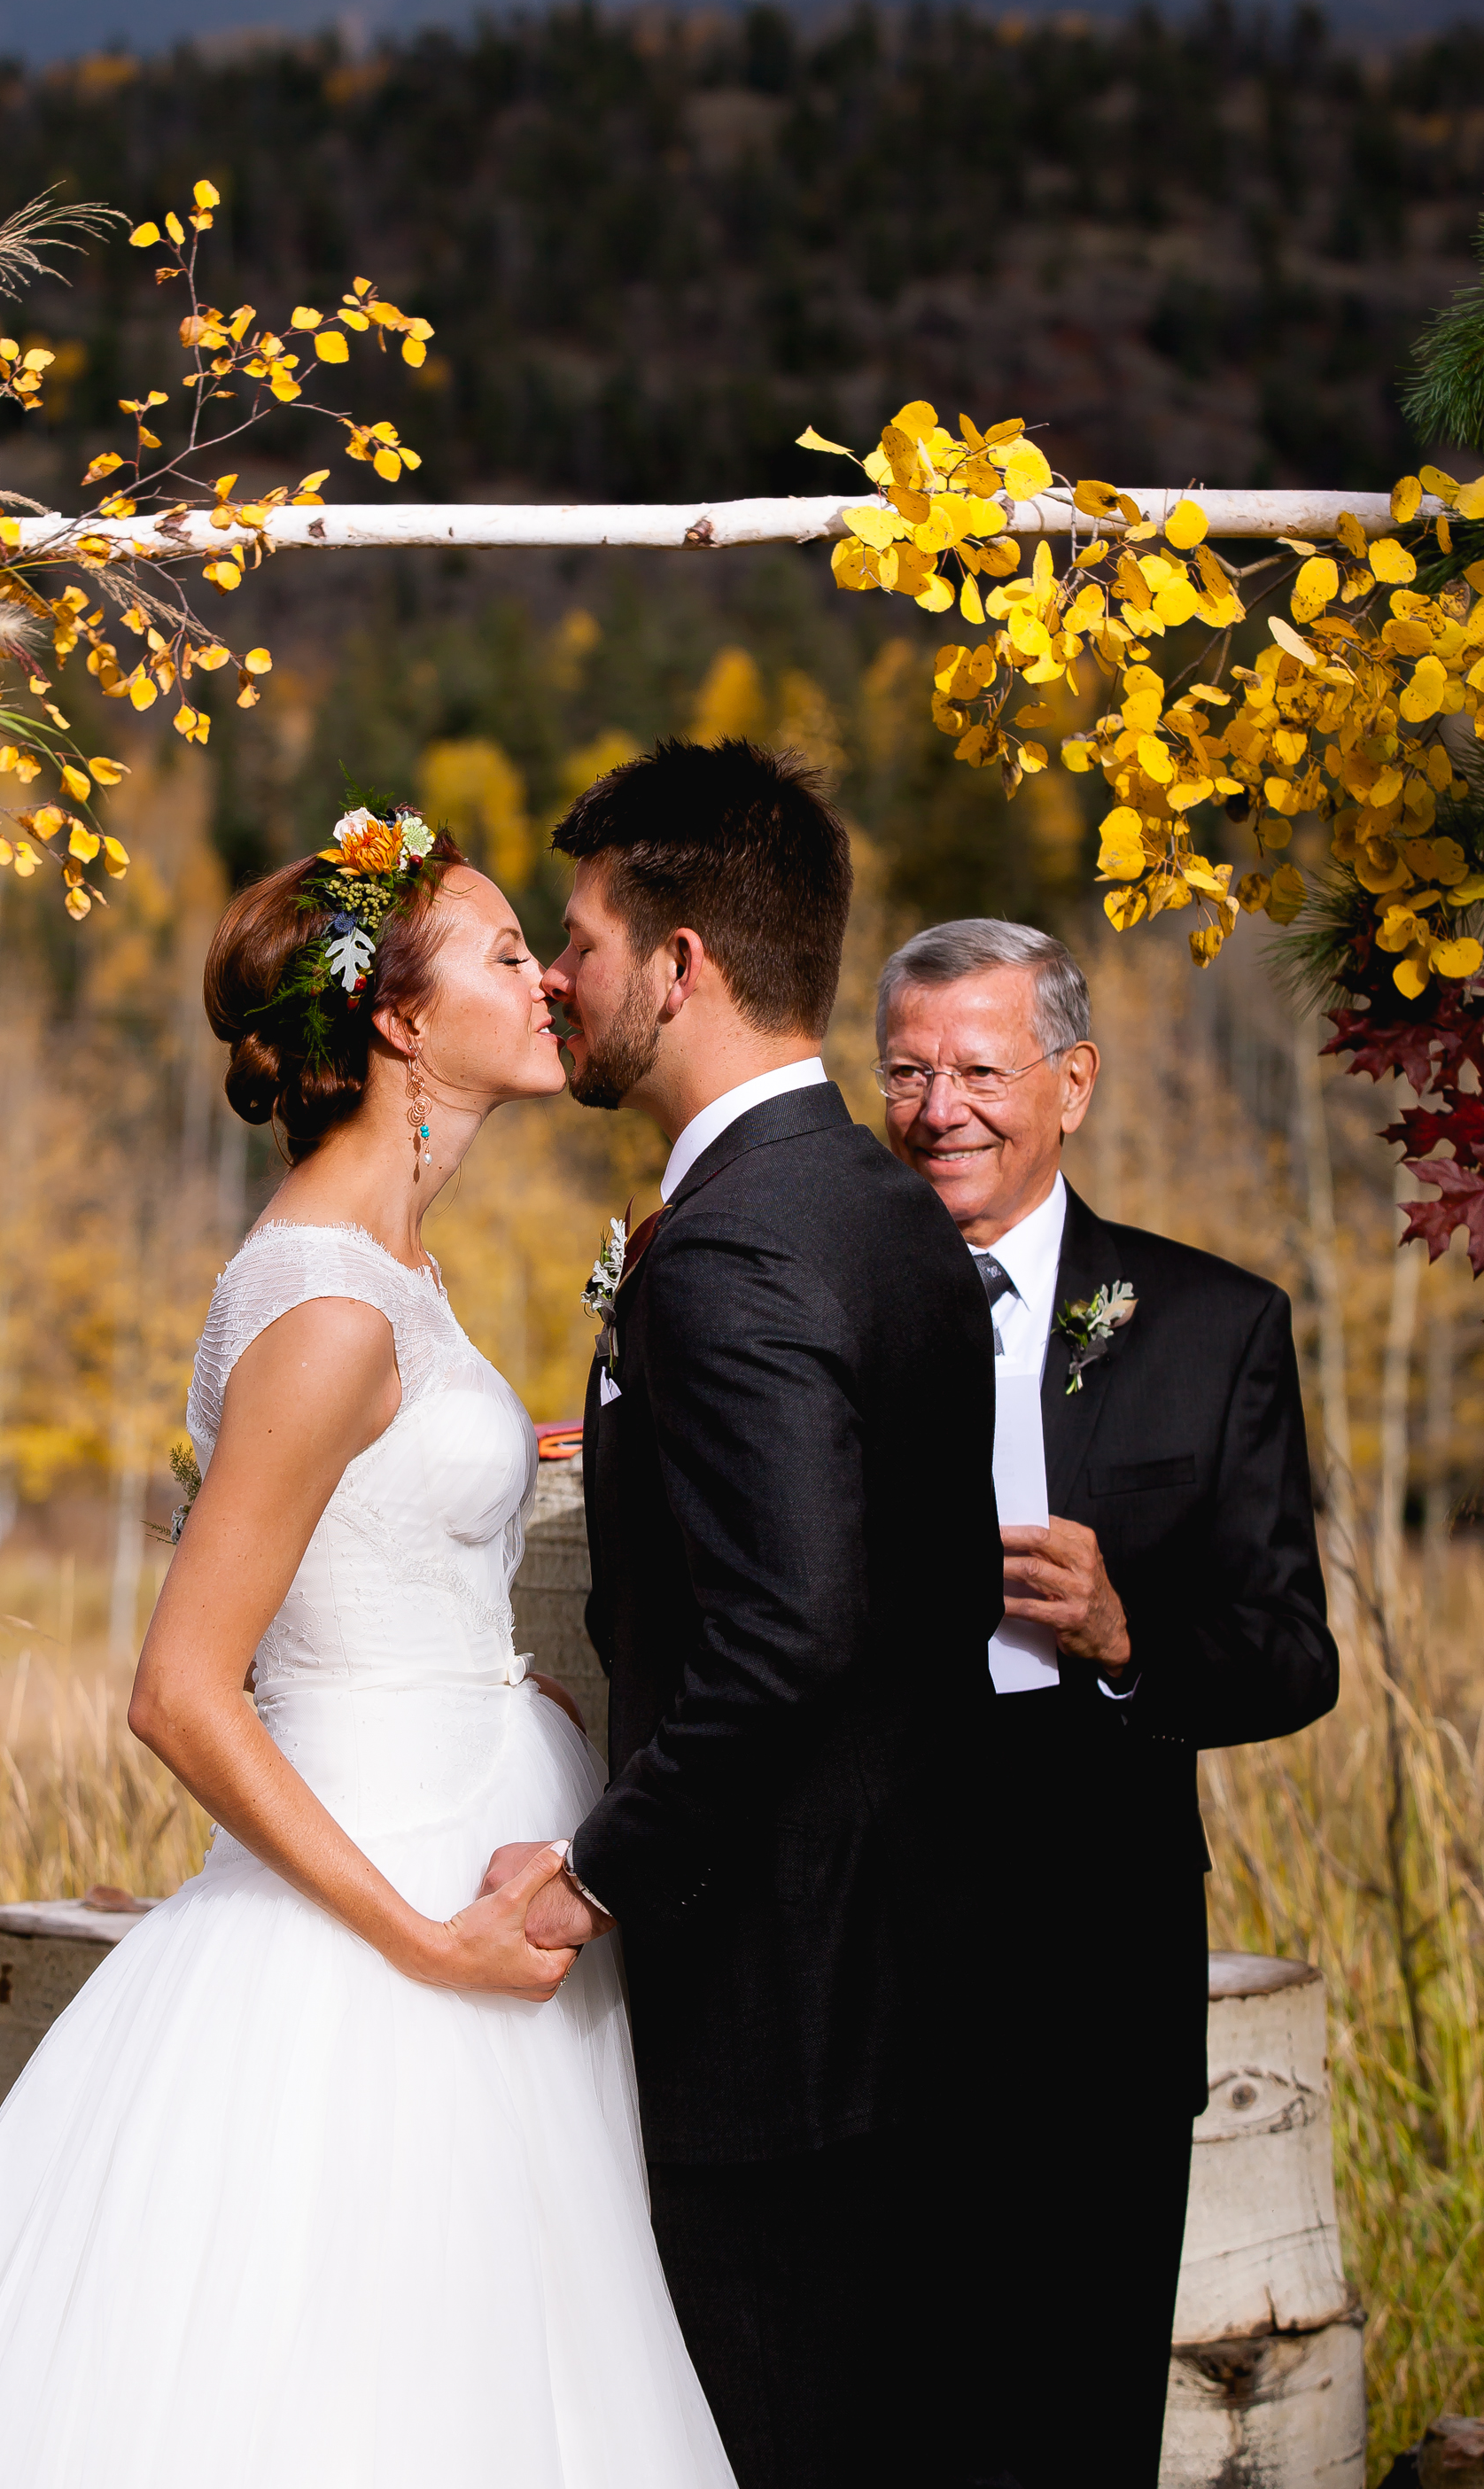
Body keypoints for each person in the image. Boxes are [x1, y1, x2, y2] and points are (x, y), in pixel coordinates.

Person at [0, 800, 734, 2489]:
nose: (547, 982)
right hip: (387, 1911)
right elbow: (176, 1690)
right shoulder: (328, 1303)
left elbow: (361, 1515)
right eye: (508, 954)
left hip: (471, 1832)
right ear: (397, 1021)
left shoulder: (382, 1266)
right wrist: (419, 1944)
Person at [487, 740, 1005, 2489]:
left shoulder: (726, 1252)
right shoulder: (881, 1215)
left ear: (679, 959)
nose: (556, 977)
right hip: (916, 1994)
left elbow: (785, 1628)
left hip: (779, 2025)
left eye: (576, 937)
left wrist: (589, 1870)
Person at [875, 916, 1340, 2489]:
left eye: (981, 1069)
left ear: (1069, 1084)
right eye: (906, 1069)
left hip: (1091, 1942)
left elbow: (1289, 1651)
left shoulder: (1213, 1328)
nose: (940, 1104)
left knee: (1075, 2411)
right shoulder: (796, 1308)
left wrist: (1128, 1633)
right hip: (850, 1937)